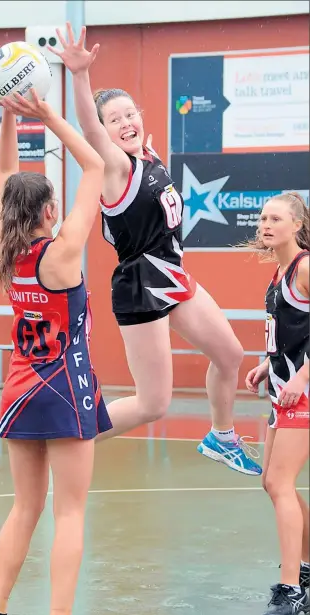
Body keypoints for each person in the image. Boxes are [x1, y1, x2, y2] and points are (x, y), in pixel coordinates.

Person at [47, 23, 261, 476]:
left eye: (130, 114)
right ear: (104, 133)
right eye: (115, 119)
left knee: (230, 354)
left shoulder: (148, 157)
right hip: (141, 285)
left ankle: (221, 436)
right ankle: (67, 439)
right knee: (153, 403)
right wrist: (80, 76)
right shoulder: (114, 168)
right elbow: (88, 124)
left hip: (172, 274)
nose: (126, 123)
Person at [0, 88, 111, 615]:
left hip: (19, 388)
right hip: (65, 390)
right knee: (70, 511)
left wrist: (8, 116)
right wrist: (48, 115)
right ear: (51, 210)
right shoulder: (62, 252)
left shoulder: (4, 250)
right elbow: (97, 163)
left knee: (23, 508)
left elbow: (8, 175)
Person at [244, 192, 309, 615]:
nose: (266, 225)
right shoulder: (278, 272)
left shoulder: (305, 267)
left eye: (276, 218)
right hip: (283, 389)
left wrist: (302, 377)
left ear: (297, 225)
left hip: (303, 391)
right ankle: (303, 571)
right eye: (264, 218)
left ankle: (292, 590)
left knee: (280, 483)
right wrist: (268, 364)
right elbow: (291, 332)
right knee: (273, 482)